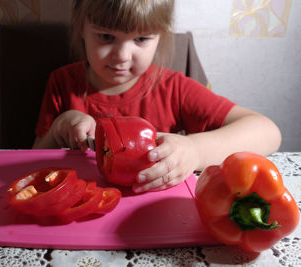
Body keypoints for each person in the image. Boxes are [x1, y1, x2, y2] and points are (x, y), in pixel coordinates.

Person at [33, 0, 281, 193]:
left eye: (141, 39)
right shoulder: (62, 83)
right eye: (106, 36)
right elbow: (32, 162)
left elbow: (267, 132)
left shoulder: (175, 89)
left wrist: (194, 150)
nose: (122, 55)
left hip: (153, 211)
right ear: (81, 29)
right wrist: (59, 127)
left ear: (160, 37)